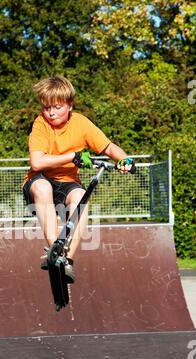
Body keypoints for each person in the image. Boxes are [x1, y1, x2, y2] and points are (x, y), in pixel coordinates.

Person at [23, 76, 135, 284]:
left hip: (67, 181)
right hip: (40, 179)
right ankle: (55, 250)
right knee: (43, 188)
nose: (51, 113)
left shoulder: (81, 123)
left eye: (57, 107)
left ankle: (67, 260)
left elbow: (108, 147)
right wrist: (72, 156)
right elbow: (37, 162)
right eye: (47, 108)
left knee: (81, 197)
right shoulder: (40, 124)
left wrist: (125, 159)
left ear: (70, 105)